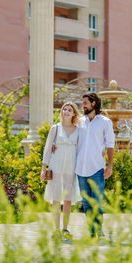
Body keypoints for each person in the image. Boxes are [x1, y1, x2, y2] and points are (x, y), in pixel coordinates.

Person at [75, 92, 115, 238]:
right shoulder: (79, 121)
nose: (83, 105)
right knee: (86, 202)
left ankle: (98, 229)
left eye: (85, 102)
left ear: (93, 103)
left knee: (97, 201)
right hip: (80, 168)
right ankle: (91, 230)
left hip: (97, 168)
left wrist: (109, 166)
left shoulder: (105, 122)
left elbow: (110, 145)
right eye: (83, 102)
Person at [41, 102, 82, 240]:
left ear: (74, 113)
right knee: (56, 198)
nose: (66, 111)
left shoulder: (79, 129)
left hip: (71, 166)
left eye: (69, 110)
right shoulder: (55, 128)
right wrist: (43, 168)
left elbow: (81, 149)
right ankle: (56, 230)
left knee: (68, 199)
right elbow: (47, 148)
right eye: (64, 109)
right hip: (56, 165)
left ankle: (65, 229)